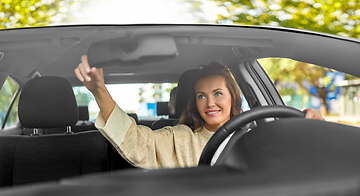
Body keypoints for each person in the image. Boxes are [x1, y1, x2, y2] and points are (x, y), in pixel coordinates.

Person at [75, 56, 324, 169]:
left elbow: (296, 159)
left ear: (232, 97)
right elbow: (139, 142)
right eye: (201, 96)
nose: (210, 103)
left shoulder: (260, 134)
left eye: (217, 93)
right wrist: (100, 93)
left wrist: (312, 129)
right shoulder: (181, 138)